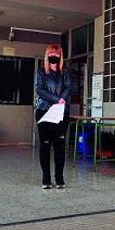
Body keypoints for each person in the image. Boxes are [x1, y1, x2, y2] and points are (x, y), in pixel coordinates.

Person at [34, 45, 72, 189]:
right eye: (51, 53)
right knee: (45, 145)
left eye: (56, 53)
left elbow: (68, 88)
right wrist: (57, 99)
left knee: (60, 146)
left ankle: (59, 178)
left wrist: (62, 99)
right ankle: (46, 178)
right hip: (44, 111)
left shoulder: (65, 73)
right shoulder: (41, 72)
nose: (54, 55)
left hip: (62, 113)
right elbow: (39, 89)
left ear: (60, 55)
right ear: (47, 55)